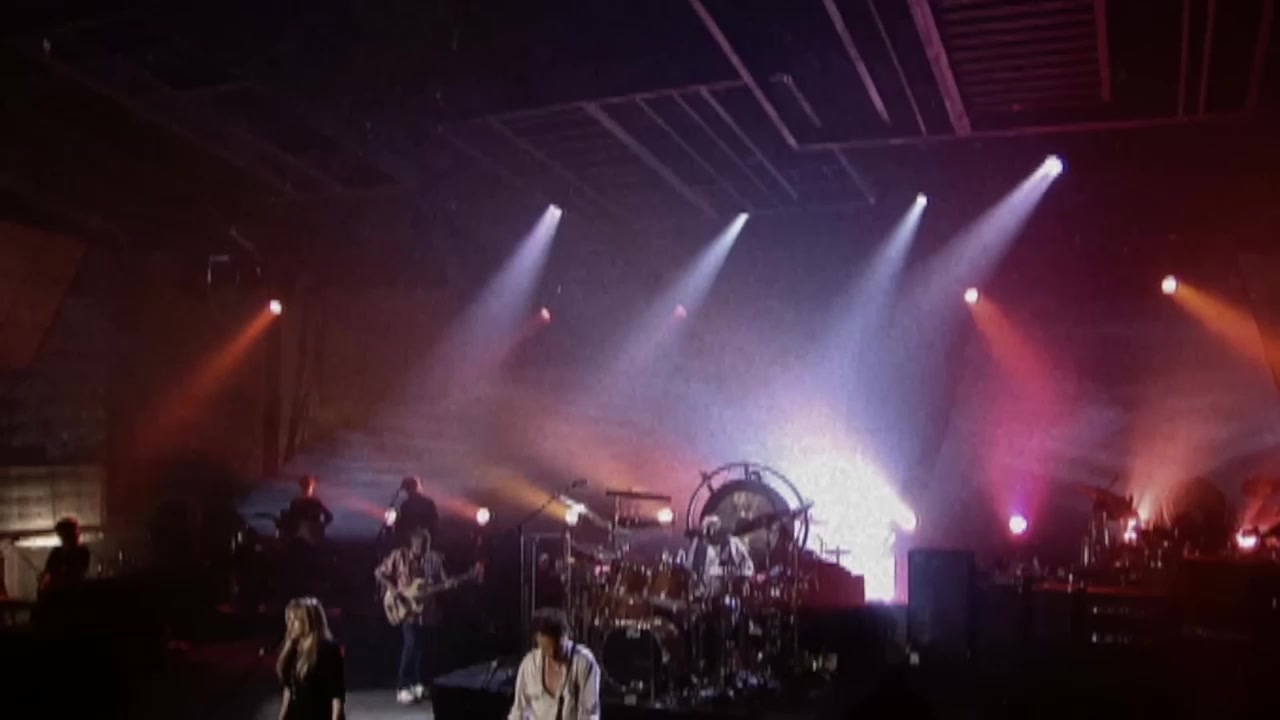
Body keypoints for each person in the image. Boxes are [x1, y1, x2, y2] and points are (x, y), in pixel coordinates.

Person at [375, 528, 448, 705]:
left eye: (426, 547)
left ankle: (417, 683)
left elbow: (442, 581)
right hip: (405, 609)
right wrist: (393, 589)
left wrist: (449, 584)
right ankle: (403, 685)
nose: (423, 552)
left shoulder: (434, 559)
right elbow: (379, 572)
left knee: (423, 647)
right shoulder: (399, 556)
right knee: (411, 644)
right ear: (413, 545)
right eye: (421, 548)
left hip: (426, 611)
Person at [508, 607, 600, 720]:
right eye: (546, 648)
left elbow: (589, 713)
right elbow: (518, 710)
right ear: (537, 640)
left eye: (557, 648)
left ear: (566, 636)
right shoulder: (529, 665)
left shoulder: (584, 662)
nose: (552, 654)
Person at [276, 596, 346, 720]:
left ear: (309, 621)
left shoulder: (327, 650)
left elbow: (336, 696)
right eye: (289, 619)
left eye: (295, 620)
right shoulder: (292, 650)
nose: (290, 624)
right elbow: (289, 691)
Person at [684, 515, 754, 594]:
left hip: (726, 592)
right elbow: (689, 564)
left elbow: (748, 567)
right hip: (703, 592)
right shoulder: (698, 543)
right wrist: (693, 575)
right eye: (705, 529)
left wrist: (736, 576)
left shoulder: (731, 542)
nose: (709, 532)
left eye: (712, 528)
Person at [40, 517, 90, 596]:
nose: (62, 537)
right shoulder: (56, 552)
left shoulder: (82, 552)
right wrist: (44, 580)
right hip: (56, 593)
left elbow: (76, 573)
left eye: (65, 533)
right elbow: (48, 571)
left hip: (72, 593)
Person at [282, 475, 334, 544]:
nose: (306, 489)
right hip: (304, 537)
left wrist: (319, 527)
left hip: (306, 537)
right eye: (305, 486)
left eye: (307, 486)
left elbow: (328, 517)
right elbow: (329, 517)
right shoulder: (297, 502)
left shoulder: (314, 502)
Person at [393, 476, 439, 543]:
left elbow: (434, 522)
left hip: (419, 537)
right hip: (412, 536)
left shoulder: (426, 503)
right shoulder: (405, 505)